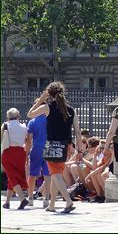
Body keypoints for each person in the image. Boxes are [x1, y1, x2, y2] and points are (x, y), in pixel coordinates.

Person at [27, 82, 84, 213]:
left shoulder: (48, 107)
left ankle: (68, 201)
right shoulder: (71, 110)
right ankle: (52, 204)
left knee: (56, 174)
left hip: (52, 144)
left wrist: (41, 100)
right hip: (66, 145)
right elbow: (77, 131)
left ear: (49, 93)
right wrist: (79, 150)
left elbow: (30, 114)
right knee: (55, 174)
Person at [25, 104, 51, 208]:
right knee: (47, 174)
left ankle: (30, 197)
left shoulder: (32, 122)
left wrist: (26, 153)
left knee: (32, 174)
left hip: (36, 148)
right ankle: (46, 198)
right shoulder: (49, 120)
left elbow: (29, 140)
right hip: (48, 147)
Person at [1, 108, 29, 209]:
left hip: (8, 152)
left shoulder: (5, 125)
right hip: (21, 152)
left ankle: (22, 198)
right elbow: (27, 140)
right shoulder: (24, 126)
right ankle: (7, 202)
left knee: (11, 175)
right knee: (12, 176)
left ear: (8, 116)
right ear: (18, 116)